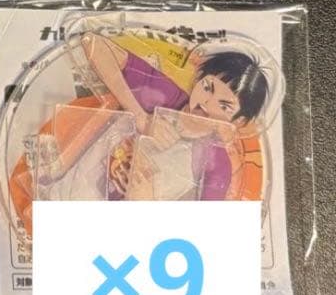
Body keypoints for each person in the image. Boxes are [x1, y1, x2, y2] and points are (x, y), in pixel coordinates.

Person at [40, 32, 269, 201]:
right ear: (198, 77)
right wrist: (141, 117)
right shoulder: (167, 96)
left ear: (239, 122)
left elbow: (202, 232)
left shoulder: (216, 162)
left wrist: (146, 206)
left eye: (224, 105)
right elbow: (92, 42)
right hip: (60, 198)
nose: (206, 104)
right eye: (207, 88)